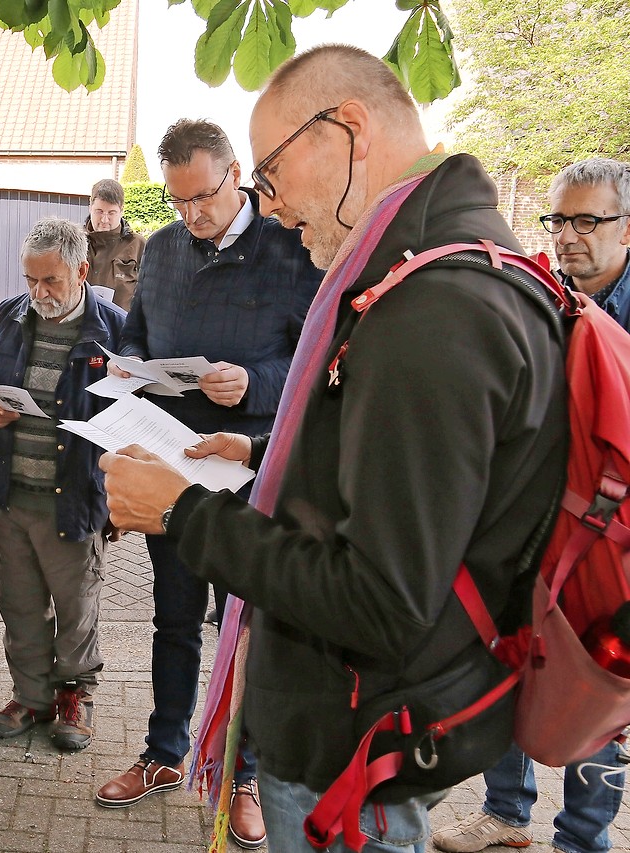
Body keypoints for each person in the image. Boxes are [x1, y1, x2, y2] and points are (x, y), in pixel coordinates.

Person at [99, 44, 567, 852]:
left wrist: (183, 510)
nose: (272, 206)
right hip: (362, 736)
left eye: (272, 174)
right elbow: (379, 482)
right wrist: (255, 460)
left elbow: (377, 598)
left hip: (354, 758)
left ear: (346, 128)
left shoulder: (434, 308)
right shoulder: (435, 270)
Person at [96, 119, 322, 848]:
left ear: (236, 177)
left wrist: (252, 380)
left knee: (245, 626)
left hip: (251, 467)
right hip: (171, 463)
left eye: (201, 197)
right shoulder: (160, 249)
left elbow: (318, 361)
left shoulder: (292, 248)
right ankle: (165, 754)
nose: (190, 215)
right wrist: (129, 363)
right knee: (172, 617)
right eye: (176, 201)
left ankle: (242, 772)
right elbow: (139, 330)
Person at [431, 157, 630, 853]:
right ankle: (507, 813)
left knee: (595, 692)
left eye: (588, 219)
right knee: (510, 662)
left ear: (626, 227)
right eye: (558, 219)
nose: (569, 235)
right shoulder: (540, 299)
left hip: (608, 544)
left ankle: (582, 838)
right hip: (531, 531)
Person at [0, 216, 125, 752]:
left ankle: (75, 696)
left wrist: (118, 498)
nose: (38, 293)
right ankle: (31, 696)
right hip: (12, 492)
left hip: (75, 496)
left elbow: (132, 420)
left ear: (81, 270)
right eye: (30, 280)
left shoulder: (114, 329)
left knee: (76, 604)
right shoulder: (12, 318)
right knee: (18, 603)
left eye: (51, 281)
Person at [84, 178, 146, 310]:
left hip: (122, 327)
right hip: (81, 327)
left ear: (121, 210)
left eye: (111, 213)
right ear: (90, 208)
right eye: (99, 211)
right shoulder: (76, 243)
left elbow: (150, 294)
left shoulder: (138, 245)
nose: (104, 219)